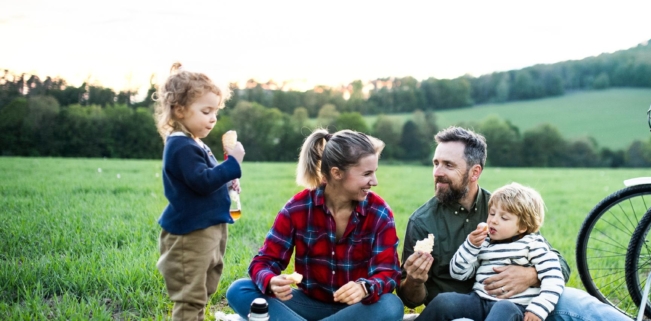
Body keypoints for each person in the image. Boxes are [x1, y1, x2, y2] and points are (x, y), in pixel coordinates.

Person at [398, 126, 632, 321]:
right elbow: (410, 299)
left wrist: (530, 275)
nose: (437, 172)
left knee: (579, 303)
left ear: (474, 172)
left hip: (519, 305)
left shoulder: (503, 208)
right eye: (435, 163)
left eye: (448, 165)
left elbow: (556, 262)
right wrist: (415, 279)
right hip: (462, 310)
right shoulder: (422, 222)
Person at [226, 129, 404, 321]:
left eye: (374, 173)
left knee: (391, 305)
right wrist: (270, 281)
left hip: (357, 309)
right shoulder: (297, 208)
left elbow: (389, 272)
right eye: (367, 173)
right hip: (306, 305)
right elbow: (264, 261)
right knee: (240, 289)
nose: (374, 181)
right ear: (336, 173)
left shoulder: (379, 213)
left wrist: (364, 287)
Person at [154, 62, 245, 321]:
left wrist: (227, 181)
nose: (213, 118)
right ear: (180, 111)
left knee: (205, 288)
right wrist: (233, 165)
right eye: (206, 111)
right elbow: (201, 181)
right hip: (190, 234)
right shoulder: (180, 146)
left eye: (215, 111)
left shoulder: (195, 143)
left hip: (209, 228)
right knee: (190, 294)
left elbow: (208, 180)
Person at [417, 182, 565, 321]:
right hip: (479, 301)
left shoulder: (533, 244)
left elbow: (554, 278)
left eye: (504, 217)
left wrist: (538, 309)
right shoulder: (485, 242)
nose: (493, 220)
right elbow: (458, 273)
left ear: (523, 227)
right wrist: (470, 246)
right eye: (492, 213)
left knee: (503, 307)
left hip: (514, 308)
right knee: (444, 301)